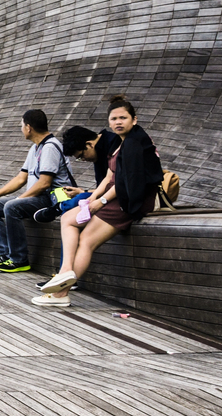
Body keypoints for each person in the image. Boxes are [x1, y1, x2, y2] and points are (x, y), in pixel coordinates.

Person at [34, 95, 163, 308]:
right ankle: (65, 271)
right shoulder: (122, 142)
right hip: (118, 196)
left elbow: (123, 183)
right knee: (68, 218)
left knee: (86, 241)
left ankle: (61, 293)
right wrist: (91, 197)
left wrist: (100, 201)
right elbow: (109, 175)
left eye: (123, 118)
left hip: (130, 202)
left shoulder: (133, 144)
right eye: (114, 119)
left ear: (134, 119)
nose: (118, 122)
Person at [0, 109, 73, 273]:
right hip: (36, 197)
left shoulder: (50, 147)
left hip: (51, 199)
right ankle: (3, 253)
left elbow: (45, 183)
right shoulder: (35, 148)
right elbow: (20, 179)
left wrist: (19, 199)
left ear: (29, 128)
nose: (21, 129)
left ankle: (19, 260)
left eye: (21, 125)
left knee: (12, 207)